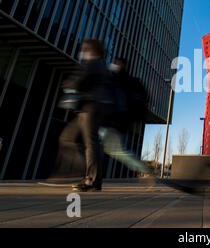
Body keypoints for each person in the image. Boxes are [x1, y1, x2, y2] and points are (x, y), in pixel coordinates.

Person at [59, 39, 114, 192]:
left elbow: (80, 83)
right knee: (68, 138)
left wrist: (69, 84)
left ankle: (92, 179)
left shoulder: (94, 63)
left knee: (90, 143)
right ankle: (86, 175)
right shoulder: (99, 64)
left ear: (92, 49)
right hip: (90, 107)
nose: (83, 51)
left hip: (91, 107)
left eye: (85, 48)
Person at [101, 58, 151, 175]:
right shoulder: (128, 81)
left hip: (113, 121)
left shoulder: (119, 80)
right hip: (118, 121)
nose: (113, 65)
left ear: (122, 65)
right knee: (113, 149)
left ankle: (144, 168)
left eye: (115, 63)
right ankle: (93, 178)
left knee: (115, 150)